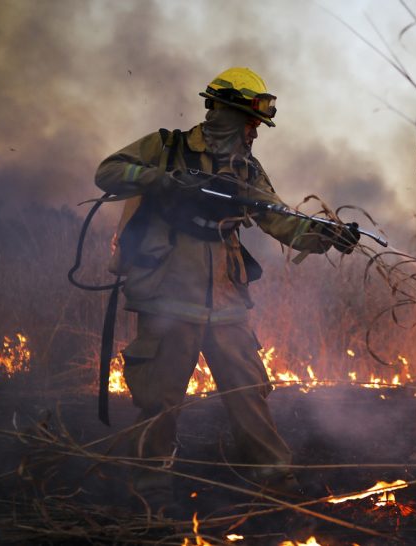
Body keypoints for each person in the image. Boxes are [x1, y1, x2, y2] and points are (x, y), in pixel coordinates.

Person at [94, 67, 359, 515]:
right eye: (248, 120)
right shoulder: (167, 147)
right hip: (167, 299)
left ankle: (275, 484)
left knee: (248, 393)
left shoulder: (247, 169)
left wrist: (327, 236)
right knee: (159, 401)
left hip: (227, 303)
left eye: (257, 124)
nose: (254, 131)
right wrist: (159, 178)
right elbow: (108, 172)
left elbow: (278, 218)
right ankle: (150, 491)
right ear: (220, 112)